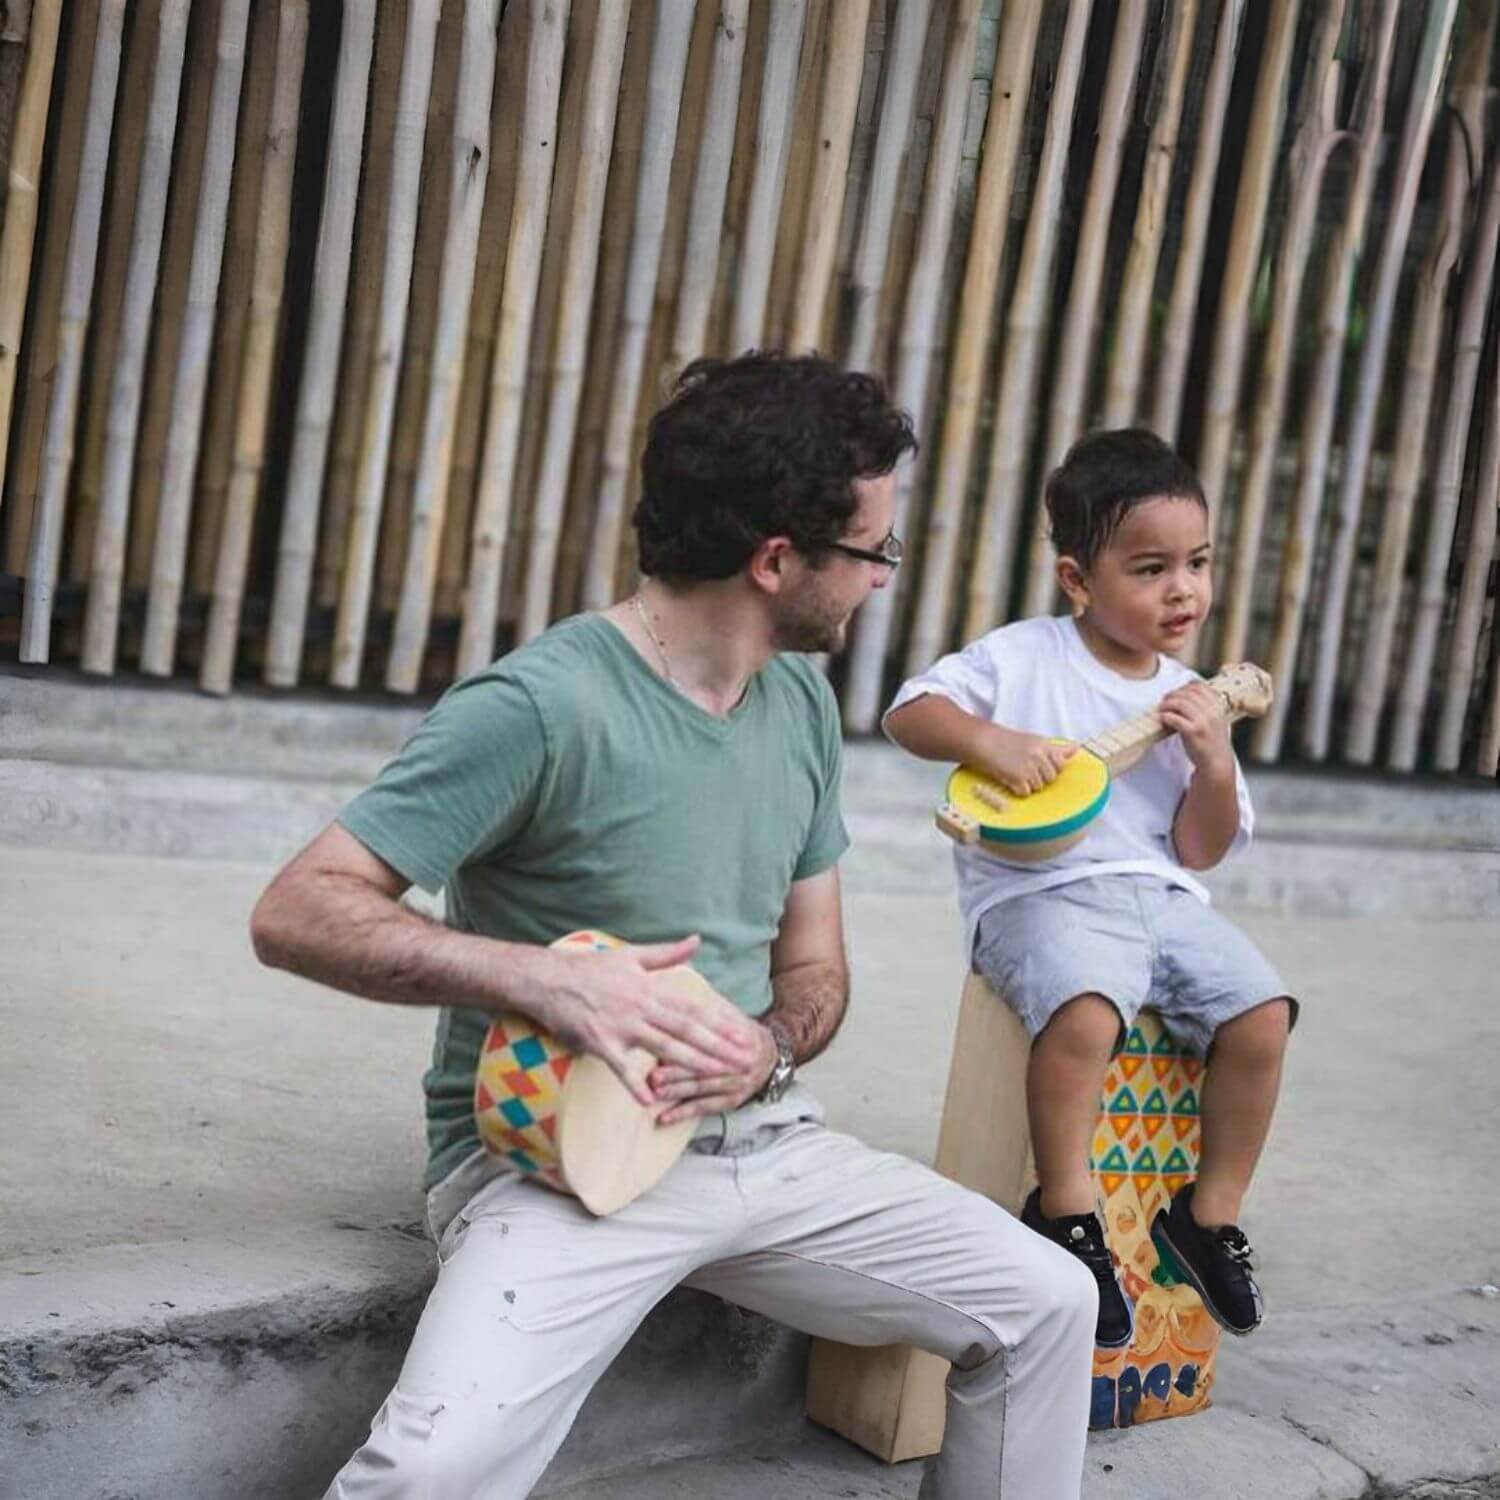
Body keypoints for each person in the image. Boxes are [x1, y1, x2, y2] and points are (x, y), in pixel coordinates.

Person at [251, 352, 1096, 1500]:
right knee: (424, 1475)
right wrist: (542, 981)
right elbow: (297, 908)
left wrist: (773, 1045)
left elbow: (814, 965)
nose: (883, 579)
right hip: (553, 1173)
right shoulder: (540, 704)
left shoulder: (797, 702)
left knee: (1050, 1298)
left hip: (765, 1146)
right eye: (874, 551)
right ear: (776, 560)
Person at [885, 428, 1296, 1351]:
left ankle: (1207, 1215)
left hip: (1162, 899)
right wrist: (995, 743)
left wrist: (1214, 759)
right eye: (1150, 568)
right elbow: (909, 713)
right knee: (1086, 1012)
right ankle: (1067, 1213)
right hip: (1039, 894)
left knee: (1263, 1013)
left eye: (1197, 562)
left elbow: (1199, 848)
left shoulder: (1197, 696)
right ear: (1078, 579)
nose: (1182, 589)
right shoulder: (1023, 659)